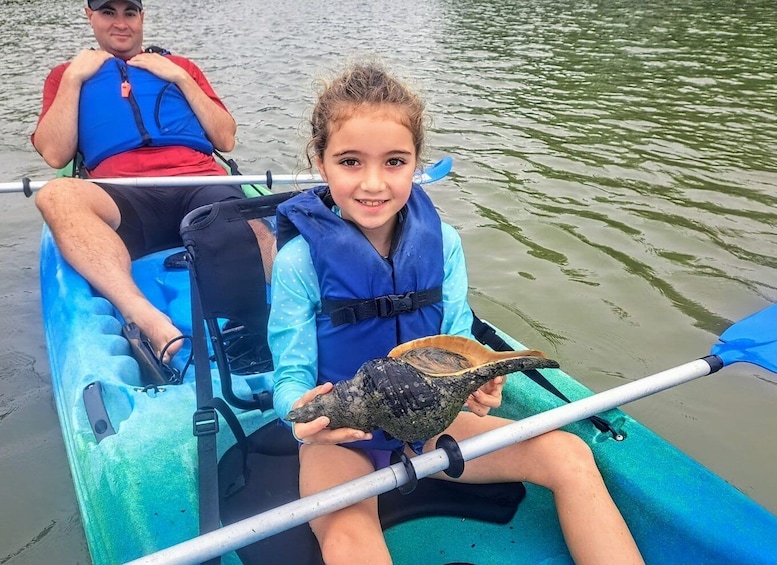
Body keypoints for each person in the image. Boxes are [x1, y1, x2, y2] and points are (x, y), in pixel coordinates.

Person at [268, 63, 645, 565]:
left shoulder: (442, 244)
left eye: (395, 162)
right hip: (345, 438)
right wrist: (305, 422)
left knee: (569, 455)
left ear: (417, 163)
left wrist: (480, 383)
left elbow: (457, 343)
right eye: (351, 162)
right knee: (349, 538)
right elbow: (290, 376)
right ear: (321, 163)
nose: (374, 183)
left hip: (432, 425)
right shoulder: (299, 263)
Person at [31, 0, 242, 363]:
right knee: (55, 195)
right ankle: (141, 314)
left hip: (197, 184)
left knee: (249, 219)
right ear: (90, 16)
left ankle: (299, 309)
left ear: (142, 17)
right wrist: (73, 78)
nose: (121, 24)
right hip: (122, 197)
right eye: (108, 13)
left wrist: (179, 77)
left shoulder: (181, 67)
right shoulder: (65, 76)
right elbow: (55, 155)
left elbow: (225, 138)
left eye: (130, 13)